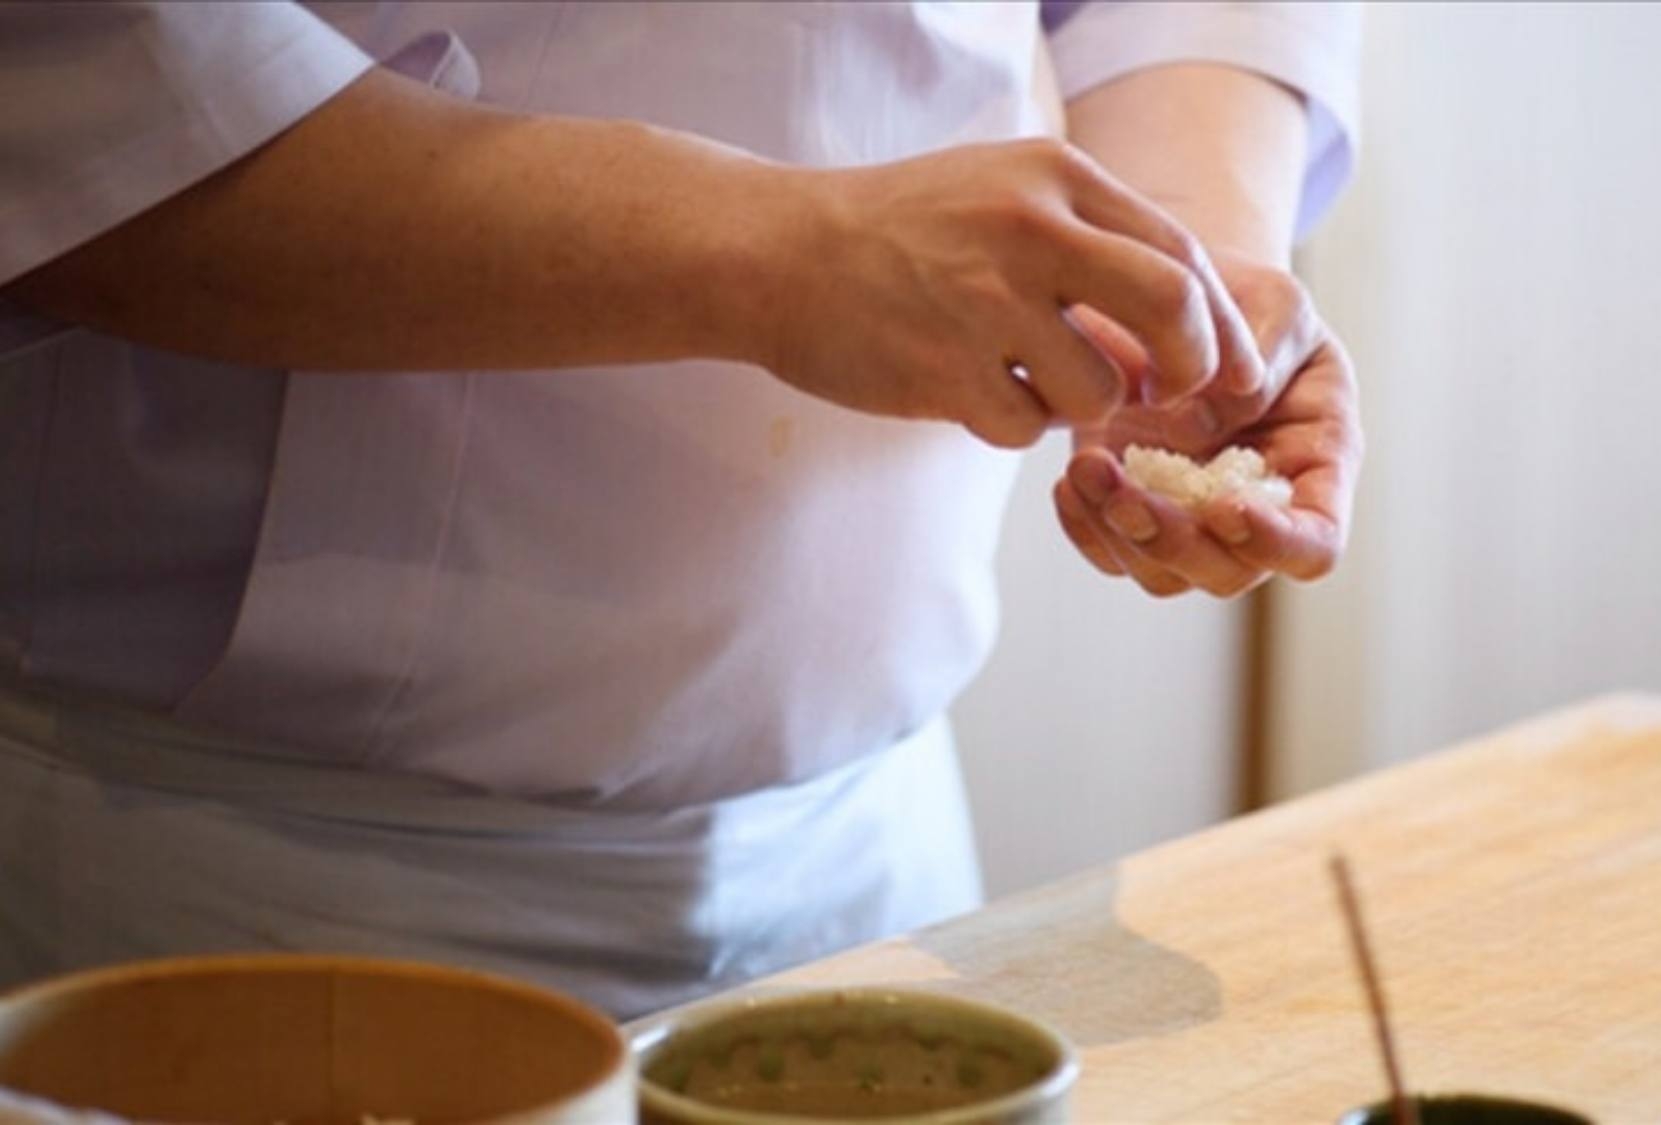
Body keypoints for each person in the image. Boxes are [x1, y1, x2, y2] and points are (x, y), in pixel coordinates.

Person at [0, 1, 1362, 1019]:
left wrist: (1190, 263)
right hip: (249, 901)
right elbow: (86, 77)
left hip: (880, 873)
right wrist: (774, 257)